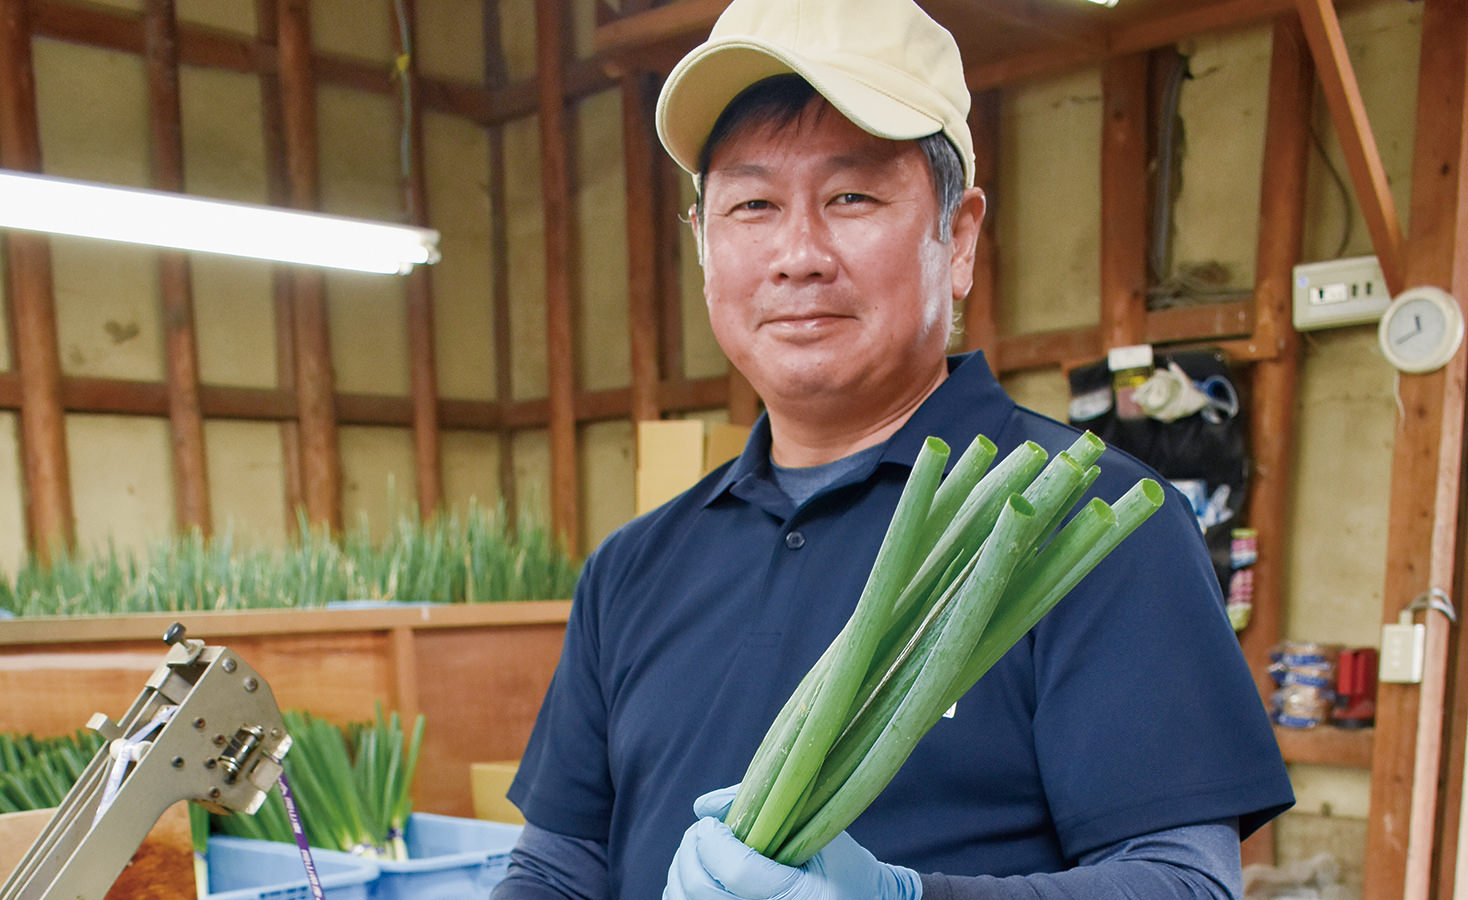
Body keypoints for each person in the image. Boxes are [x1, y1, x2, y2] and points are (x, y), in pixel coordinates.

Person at [494, 0, 1294, 897]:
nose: (797, 254)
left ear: (958, 239)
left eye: (851, 197)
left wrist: (902, 899)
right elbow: (558, 866)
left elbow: (1184, 885)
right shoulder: (632, 567)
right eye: (752, 205)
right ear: (703, 248)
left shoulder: (1084, 525)